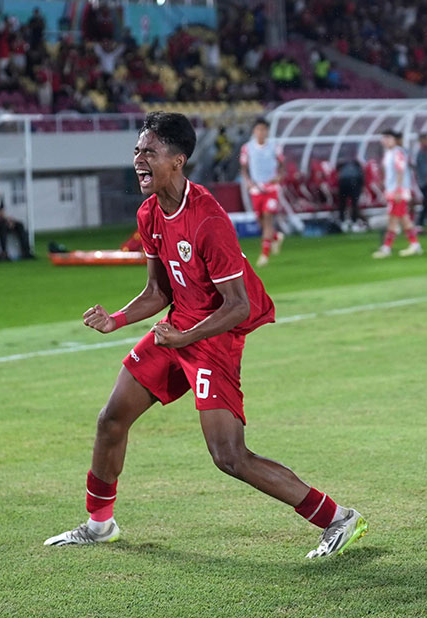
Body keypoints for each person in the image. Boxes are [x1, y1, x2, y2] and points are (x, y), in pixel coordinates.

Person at [44, 112, 367, 558]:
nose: (138, 159)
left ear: (177, 160)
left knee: (229, 456)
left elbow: (239, 306)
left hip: (214, 338)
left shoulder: (207, 220)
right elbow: (158, 291)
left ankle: (337, 517)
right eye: (137, 151)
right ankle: (99, 525)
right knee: (111, 418)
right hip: (177, 330)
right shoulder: (150, 212)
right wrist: (116, 320)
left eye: (148, 152)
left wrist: (185, 336)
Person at [239, 118, 285, 268]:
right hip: (256, 189)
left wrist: (279, 176)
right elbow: (244, 168)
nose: (261, 132)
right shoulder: (247, 148)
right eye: (258, 129)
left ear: (267, 131)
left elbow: (282, 165)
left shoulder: (274, 147)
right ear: (254, 131)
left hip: (271, 188)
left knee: (268, 217)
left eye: (264, 130)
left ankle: (264, 254)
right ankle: (276, 237)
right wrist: (248, 181)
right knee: (260, 221)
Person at [373, 130, 422, 258]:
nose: (384, 141)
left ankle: (387, 247)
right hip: (392, 191)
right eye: (383, 138)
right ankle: (414, 245)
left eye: (387, 138)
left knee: (394, 219)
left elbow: (400, 171)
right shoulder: (389, 153)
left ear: (393, 139)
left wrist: (398, 190)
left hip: (398, 191)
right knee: (401, 218)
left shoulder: (397, 152)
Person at [336, 157, 365, 232]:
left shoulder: (344, 168)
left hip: (343, 183)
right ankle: (354, 223)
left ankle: (342, 222)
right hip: (354, 182)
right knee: (354, 204)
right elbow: (361, 179)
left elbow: (338, 177)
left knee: (342, 204)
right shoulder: (357, 168)